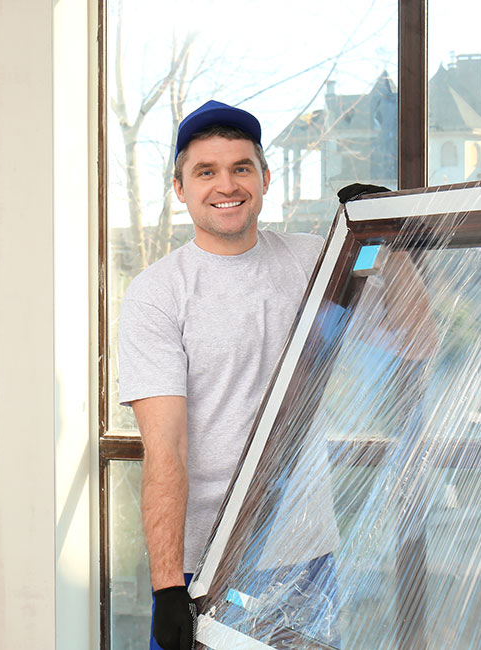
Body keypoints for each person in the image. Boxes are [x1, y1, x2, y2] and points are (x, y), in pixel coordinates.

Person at [117, 100, 325, 650]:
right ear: (180, 188)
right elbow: (168, 447)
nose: (225, 185)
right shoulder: (159, 293)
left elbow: (415, 341)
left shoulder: (316, 263)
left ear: (264, 178)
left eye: (240, 168)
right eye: (205, 172)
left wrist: (389, 243)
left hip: (305, 552)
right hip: (205, 560)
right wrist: (167, 588)